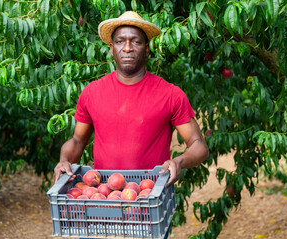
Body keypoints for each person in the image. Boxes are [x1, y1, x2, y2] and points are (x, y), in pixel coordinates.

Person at [54, 11, 209, 186]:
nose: (127, 48)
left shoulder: (170, 94)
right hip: (105, 196)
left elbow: (199, 146)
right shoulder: (92, 92)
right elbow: (77, 140)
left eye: (135, 41)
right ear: (111, 48)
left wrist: (179, 161)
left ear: (147, 48)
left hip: (151, 196)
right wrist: (65, 160)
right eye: (120, 41)